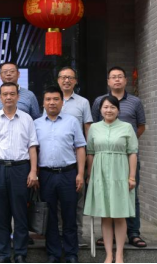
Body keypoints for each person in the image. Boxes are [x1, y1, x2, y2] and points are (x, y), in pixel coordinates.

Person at [92, 67, 147, 249]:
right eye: (113, 77)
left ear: (125, 80)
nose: (117, 80)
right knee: (107, 194)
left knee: (130, 193)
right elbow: (95, 126)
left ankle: (133, 232)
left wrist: (126, 142)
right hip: (104, 158)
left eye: (120, 77)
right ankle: (110, 236)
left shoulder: (135, 102)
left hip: (126, 157)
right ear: (108, 81)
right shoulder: (100, 101)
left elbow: (141, 125)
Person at [0, 82, 39, 264]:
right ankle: (3, 254)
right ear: (0, 97)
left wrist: (33, 171)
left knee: (20, 212)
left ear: (17, 96)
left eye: (12, 94)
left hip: (20, 169)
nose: (8, 97)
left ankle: (21, 253)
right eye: (5, 94)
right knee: (0, 214)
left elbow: (32, 147)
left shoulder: (27, 119)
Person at [35, 86, 87, 264]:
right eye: (48, 99)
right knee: (49, 216)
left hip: (68, 174)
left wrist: (80, 173)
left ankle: (71, 253)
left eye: (56, 99)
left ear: (62, 102)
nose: (52, 102)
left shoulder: (72, 122)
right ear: (43, 103)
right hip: (46, 175)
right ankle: (53, 254)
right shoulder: (36, 124)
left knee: (69, 214)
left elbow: (80, 147)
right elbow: (33, 150)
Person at [85, 96, 138, 264]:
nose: (109, 110)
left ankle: (120, 254)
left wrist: (131, 177)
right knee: (105, 216)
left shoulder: (127, 127)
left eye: (112, 107)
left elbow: (132, 152)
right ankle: (109, 255)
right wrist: (90, 175)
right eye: (106, 107)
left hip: (120, 174)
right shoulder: (94, 128)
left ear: (118, 110)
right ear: (100, 110)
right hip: (100, 175)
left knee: (120, 215)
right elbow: (90, 153)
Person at [54, 67, 93, 247]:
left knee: (77, 199)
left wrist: (88, 157)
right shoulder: (51, 100)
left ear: (75, 81)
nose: (66, 81)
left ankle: (77, 235)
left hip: (76, 157)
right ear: (58, 80)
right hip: (56, 157)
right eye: (63, 77)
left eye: (70, 78)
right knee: (56, 201)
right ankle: (58, 234)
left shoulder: (83, 102)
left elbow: (88, 129)